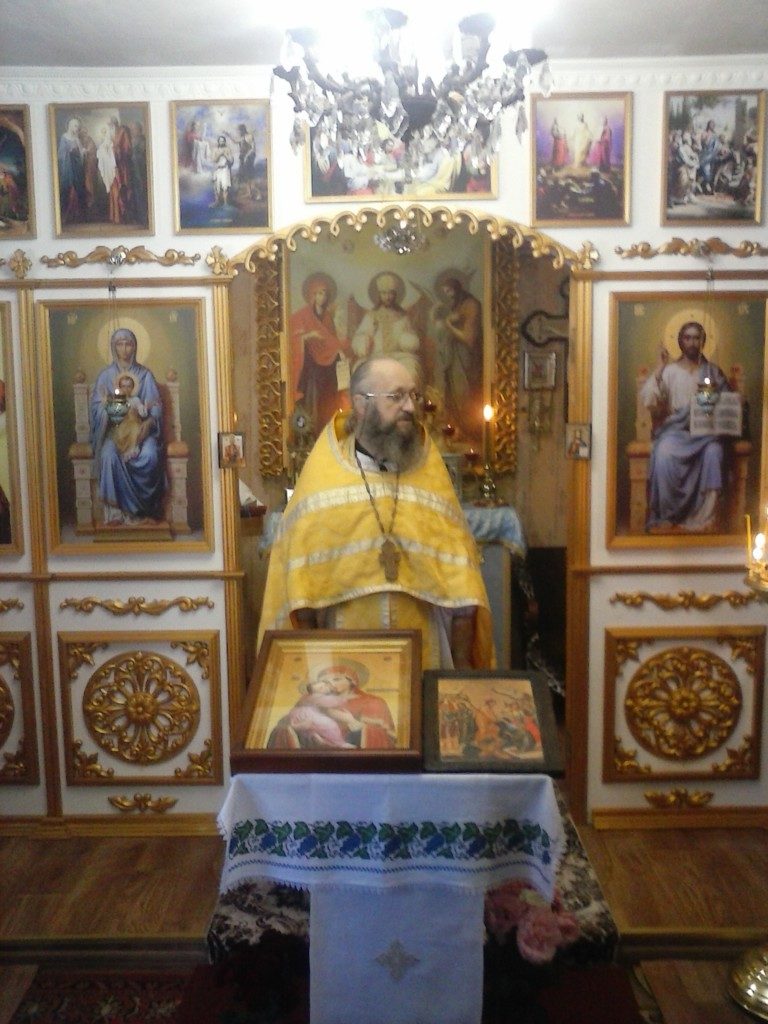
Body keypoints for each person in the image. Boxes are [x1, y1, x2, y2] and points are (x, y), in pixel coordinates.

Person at [257, 356, 494, 670]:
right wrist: (312, 678)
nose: (410, 407)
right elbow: (300, 594)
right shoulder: (322, 480)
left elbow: (462, 591)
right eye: (396, 397)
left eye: (413, 395)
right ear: (361, 404)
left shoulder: (430, 474)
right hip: (342, 668)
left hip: (424, 661)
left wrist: (459, 678)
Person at [640, 320, 732, 533]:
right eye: (687, 338)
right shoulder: (670, 371)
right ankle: (666, 515)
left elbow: (729, 405)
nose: (692, 342)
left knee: (715, 452)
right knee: (663, 453)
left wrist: (722, 402)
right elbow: (649, 399)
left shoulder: (712, 372)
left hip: (707, 433)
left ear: (703, 342)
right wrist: (660, 367)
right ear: (680, 341)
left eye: (696, 338)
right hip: (676, 431)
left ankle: (705, 518)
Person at [90, 327, 165, 526]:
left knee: (150, 455)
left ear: (135, 347)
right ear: (113, 347)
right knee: (108, 454)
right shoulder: (106, 376)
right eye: (119, 344)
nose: (124, 349)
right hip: (115, 433)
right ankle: (115, 512)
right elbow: (97, 409)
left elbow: (155, 406)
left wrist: (149, 423)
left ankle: (144, 511)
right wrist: (108, 408)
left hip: (142, 431)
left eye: (128, 344)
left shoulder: (145, 375)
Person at [267, 662, 395, 750]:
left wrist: (351, 721)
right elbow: (285, 725)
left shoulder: (373, 702)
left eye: (336, 679)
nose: (330, 684)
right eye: (324, 682)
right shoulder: (308, 699)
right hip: (312, 755)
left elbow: (384, 739)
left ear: (352, 681)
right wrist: (300, 727)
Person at [289, 273, 352, 431]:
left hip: (328, 362)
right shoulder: (303, 314)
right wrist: (309, 335)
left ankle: (329, 423)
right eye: (318, 293)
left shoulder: (328, 317)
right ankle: (312, 428)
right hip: (310, 364)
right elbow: (292, 338)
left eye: (324, 294)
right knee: (313, 397)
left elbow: (331, 339)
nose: (322, 297)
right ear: (312, 295)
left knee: (330, 394)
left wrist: (339, 350)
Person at [432, 272, 483, 440]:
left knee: (463, 392)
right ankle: (457, 429)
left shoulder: (471, 305)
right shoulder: (456, 305)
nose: (448, 295)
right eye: (445, 292)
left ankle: (468, 430)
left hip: (466, 358)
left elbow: (469, 338)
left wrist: (448, 325)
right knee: (452, 393)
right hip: (453, 357)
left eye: (449, 291)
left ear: (456, 288)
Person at [351, 272, 421, 379]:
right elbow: (360, 337)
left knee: (411, 371)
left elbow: (411, 340)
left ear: (395, 295)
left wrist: (406, 339)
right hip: (374, 357)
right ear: (379, 295)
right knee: (363, 373)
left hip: (399, 357)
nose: (388, 297)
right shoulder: (371, 316)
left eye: (391, 293)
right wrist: (364, 341)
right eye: (384, 293)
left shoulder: (402, 316)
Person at [57, 116, 87, 225]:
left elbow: (81, 153)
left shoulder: (77, 139)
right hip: (67, 168)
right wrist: (69, 151)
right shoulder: (64, 137)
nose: (77, 128)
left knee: (79, 189)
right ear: (70, 126)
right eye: (75, 126)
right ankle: (64, 216)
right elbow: (60, 154)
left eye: (78, 127)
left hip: (76, 168)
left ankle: (80, 216)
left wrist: (83, 152)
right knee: (66, 190)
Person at [210, 135, 234, 206]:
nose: (221, 142)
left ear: (224, 142)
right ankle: (217, 202)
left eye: (223, 141)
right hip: (217, 169)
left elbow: (231, 161)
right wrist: (220, 154)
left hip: (225, 169)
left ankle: (225, 203)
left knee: (225, 187)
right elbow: (213, 160)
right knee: (216, 187)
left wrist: (225, 155)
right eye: (220, 141)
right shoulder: (215, 150)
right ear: (218, 142)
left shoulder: (228, 149)